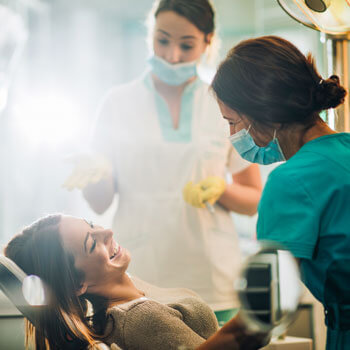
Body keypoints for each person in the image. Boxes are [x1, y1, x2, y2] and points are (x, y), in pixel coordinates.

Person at [63, 0, 262, 323]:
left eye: (186, 45)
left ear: (208, 42)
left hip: (210, 279)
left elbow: (253, 199)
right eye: (163, 40)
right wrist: (95, 174)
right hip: (138, 277)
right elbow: (99, 205)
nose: (172, 55)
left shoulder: (225, 104)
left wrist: (220, 191)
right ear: (151, 35)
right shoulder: (118, 103)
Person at [211, 35, 349, 350]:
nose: (233, 135)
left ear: (265, 113)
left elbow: (257, 323)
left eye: (232, 122)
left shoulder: (292, 180)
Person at [4, 214, 268, 350]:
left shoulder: (123, 296)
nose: (107, 232)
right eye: (92, 242)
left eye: (93, 224)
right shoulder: (140, 319)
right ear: (77, 285)